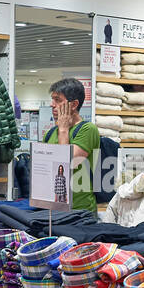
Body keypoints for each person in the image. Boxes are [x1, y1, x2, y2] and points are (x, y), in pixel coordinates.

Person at [44, 77, 100, 214]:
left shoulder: (88, 129)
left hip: (80, 212)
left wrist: (63, 129)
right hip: (52, 208)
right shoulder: (50, 133)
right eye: (52, 99)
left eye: (57, 100)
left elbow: (66, 165)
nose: (52, 104)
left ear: (74, 104)